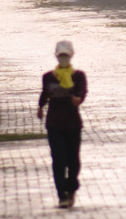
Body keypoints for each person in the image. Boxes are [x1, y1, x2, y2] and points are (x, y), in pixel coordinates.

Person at [38, 40, 87, 209]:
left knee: (73, 160)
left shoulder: (78, 76)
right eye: (61, 56)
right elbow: (45, 93)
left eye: (66, 55)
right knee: (59, 160)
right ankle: (62, 195)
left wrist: (78, 98)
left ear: (71, 56)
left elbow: (82, 90)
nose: (63, 59)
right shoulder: (48, 77)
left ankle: (71, 187)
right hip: (54, 124)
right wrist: (40, 106)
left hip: (72, 124)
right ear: (56, 57)